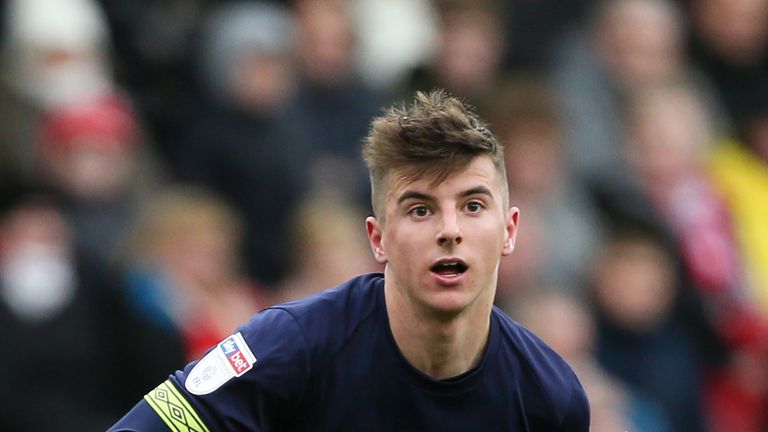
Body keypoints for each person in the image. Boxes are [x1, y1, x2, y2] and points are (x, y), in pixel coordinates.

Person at [108, 90, 590, 431]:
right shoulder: (292, 346)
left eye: (473, 205)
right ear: (377, 239)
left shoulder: (549, 398)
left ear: (509, 231)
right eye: (420, 209)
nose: (450, 230)